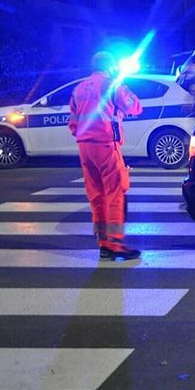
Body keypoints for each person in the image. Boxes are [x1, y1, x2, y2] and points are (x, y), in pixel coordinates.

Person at [69, 52, 143, 261]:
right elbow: (135, 107)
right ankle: (115, 243)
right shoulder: (111, 85)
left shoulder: (79, 89)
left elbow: (73, 123)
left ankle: (103, 242)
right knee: (115, 192)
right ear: (110, 67)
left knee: (97, 195)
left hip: (85, 148)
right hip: (105, 146)